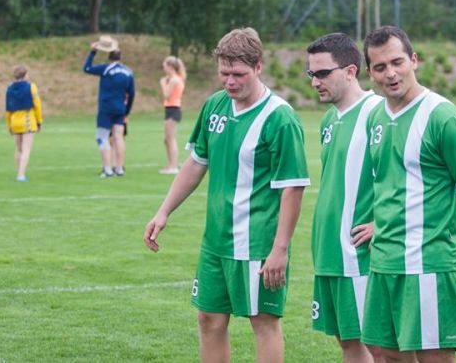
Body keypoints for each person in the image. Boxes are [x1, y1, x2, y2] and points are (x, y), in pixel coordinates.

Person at [144, 28, 310, 363]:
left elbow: (293, 188)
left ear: (258, 67)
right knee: (208, 318)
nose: (230, 82)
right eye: (224, 73)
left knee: (263, 323)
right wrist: (164, 211)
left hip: (257, 243)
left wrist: (280, 249)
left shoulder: (280, 118)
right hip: (216, 241)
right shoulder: (215, 105)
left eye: (238, 74)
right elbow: (196, 162)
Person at [361, 26, 456, 363]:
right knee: (385, 351)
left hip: (430, 261)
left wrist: (446, 234)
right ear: (370, 73)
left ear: (413, 60)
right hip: (384, 259)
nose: (390, 73)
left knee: (434, 357)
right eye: (380, 67)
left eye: (397, 62)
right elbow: (388, 185)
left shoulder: (442, 116)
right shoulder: (375, 117)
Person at [306, 33, 384, 363]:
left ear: (351, 71)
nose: (315, 82)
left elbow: (405, 178)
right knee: (348, 342)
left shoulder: (378, 112)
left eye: (323, 73)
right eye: (312, 74)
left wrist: (383, 223)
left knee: (381, 348)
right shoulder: (329, 119)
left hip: (360, 255)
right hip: (329, 251)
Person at [83, 35, 135, 178]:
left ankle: (107, 169)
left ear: (108, 56)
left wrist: (93, 52)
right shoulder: (128, 72)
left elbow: (87, 68)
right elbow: (132, 93)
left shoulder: (105, 69)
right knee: (118, 137)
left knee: (102, 137)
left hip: (106, 108)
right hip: (120, 109)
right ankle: (119, 168)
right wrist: (127, 111)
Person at [5, 64, 43, 182]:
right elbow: (37, 105)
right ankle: (21, 175)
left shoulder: (9, 88)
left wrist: (9, 125)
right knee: (26, 149)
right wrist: (39, 121)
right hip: (27, 121)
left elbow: (8, 110)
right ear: (25, 75)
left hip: (14, 121)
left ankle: (19, 172)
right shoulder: (31, 87)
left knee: (18, 149)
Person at [159, 55, 187, 174]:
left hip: (173, 109)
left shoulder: (174, 79)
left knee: (170, 139)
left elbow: (167, 95)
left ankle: (174, 166)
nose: (163, 68)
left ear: (170, 66)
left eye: (164, 66)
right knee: (166, 139)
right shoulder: (173, 79)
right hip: (170, 109)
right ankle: (170, 164)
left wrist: (162, 83)